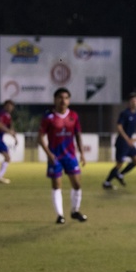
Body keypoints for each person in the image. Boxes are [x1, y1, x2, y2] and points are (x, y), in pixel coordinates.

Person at [38, 87, 88, 225]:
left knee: (77, 184)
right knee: (56, 186)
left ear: (69, 100)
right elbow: (40, 137)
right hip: (55, 157)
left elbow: (77, 134)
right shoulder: (49, 117)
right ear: (55, 100)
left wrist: (82, 153)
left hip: (70, 156)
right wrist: (49, 154)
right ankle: (60, 215)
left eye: (66, 97)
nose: (63, 100)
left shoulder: (74, 116)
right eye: (60, 97)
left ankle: (75, 211)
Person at [104, 91, 136, 189]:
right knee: (119, 164)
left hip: (129, 142)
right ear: (129, 102)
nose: (134, 102)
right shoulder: (125, 113)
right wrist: (127, 138)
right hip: (122, 142)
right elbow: (119, 127)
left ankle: (121, 174)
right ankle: (107, 182)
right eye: (132, 100)